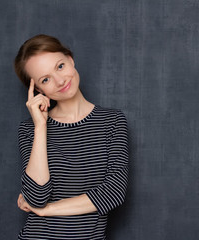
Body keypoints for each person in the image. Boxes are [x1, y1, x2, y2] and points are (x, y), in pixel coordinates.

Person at [14, 34, 129, 240]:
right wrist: (41, 127)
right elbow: (36, 197)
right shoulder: (29, 130)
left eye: (60, 66)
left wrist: (48, 210)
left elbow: (113, 192)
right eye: (45, 79)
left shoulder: (112, 121)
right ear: (38, 90)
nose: (60, 81)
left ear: (71, 59)